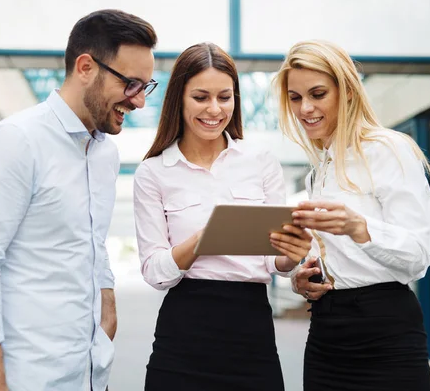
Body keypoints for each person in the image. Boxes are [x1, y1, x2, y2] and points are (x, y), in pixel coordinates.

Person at [0, 9, 157, 391]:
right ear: (85, 67)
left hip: (88, 374)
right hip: (21, 376)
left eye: (146, 87)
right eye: (131, 84)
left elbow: (92, 241)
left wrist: (108, 304)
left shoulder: (105, 155)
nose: (140, 102)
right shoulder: (16, 140)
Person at [133, 42, 312, 391]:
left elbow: (272, 260)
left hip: (251, 329)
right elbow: (155, 272)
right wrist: (202, 241)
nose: (214, 109)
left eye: (225, 97)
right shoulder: (154, 173)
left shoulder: (260, 161)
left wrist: (290, 257)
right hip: (183, 330)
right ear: (178, 99)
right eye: (200, 97)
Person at [272, 40, 430, 391]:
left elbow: (419, 256)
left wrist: (359, 227)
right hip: (326, 331)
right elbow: (337, 260)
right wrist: (302, 278)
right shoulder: (317, 172)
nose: (305, 108)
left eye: (318, 94)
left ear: (347, 91)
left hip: (385, 330)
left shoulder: (387, 149)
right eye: (295, 97)